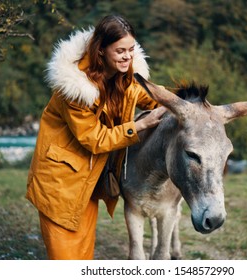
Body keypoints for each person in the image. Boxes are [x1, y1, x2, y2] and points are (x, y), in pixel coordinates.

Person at [26, 15, 166, 260]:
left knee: (83, 257)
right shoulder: (75, 88)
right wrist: (139, 125)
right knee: (65, 259)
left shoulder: (126, 77)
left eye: (131, 50)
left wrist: (189, 103)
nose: (127, 56)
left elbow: (152, 97)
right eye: (120, 51)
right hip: (60, 182)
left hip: (89, 181)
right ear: (101, 51)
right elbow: (95, 139)